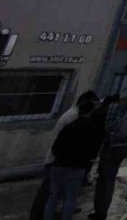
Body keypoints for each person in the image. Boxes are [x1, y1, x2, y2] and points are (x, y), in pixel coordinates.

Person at [30, 90, 99, 220]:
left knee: (53, 194)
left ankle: (45, 214)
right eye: (94, 104)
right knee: (52, 192)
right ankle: (38, 214)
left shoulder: (71, 115)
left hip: (59, 160)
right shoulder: (74, 117)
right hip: (61, 161)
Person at [44, 98, 106, 220]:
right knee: (70, 199)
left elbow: (55, 147)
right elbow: (93, 151)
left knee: (52, 198)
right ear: (91, 111)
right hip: (77, 167)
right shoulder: (92, 130)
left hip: (59, 165)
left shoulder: (69, 126)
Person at [90, 95, 127, 219]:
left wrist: (110, 135)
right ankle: (99, 209)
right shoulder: (126, 113)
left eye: (124, 101)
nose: (121, 104)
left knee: (107, 180)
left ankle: (102, 211)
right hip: (112, 149)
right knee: (103, 178)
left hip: (116, 149)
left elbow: (123, 134)